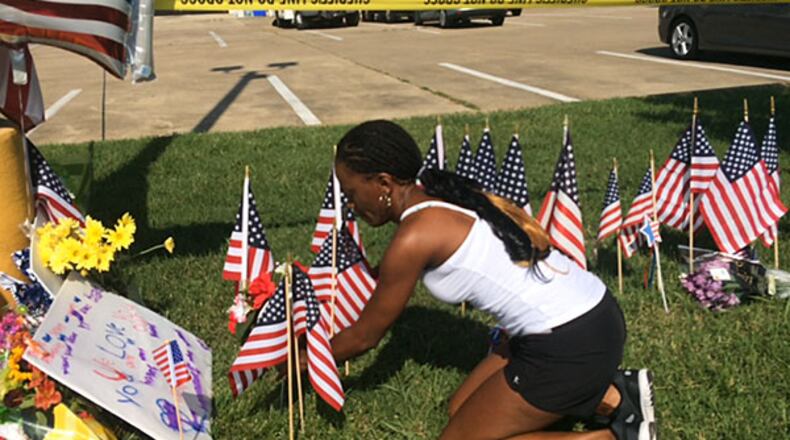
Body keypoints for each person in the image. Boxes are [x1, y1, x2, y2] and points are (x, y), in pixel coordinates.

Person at [325, 120, 656, 440]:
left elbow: (364, 337)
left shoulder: (414, 238)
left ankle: (619, 436)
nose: (351, 205)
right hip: (595, 314)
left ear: (384, 183)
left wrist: (307, 362)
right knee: (459, 409)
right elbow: (383, 280)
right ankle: (615, 394)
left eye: (352, 193)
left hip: (568, 342)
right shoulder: (441, 196)